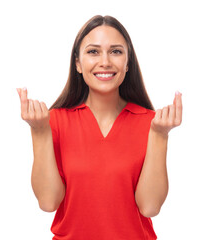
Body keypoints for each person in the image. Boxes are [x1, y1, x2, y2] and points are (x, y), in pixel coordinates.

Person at [17, 15, 182, 240]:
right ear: (77, 63)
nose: (105, 61)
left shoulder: (151, 123)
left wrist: (160, 135)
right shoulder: (53, 121)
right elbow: (48, 202)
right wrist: (39, 131)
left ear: (128, 63)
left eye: (115, 51)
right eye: (93, 51)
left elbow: (150, 207)